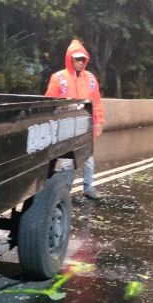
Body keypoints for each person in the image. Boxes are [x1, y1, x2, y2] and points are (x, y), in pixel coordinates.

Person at [45, 39, 105, 200]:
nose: (80, 62)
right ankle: (64, 191)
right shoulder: (58, 78)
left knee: (88, 159)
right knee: (66, 161)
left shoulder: (91, 79)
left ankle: (88, 187)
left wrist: (99, 121)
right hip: (66, 128)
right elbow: (49, 104)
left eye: (83, 59)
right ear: (70, 58)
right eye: (77, 58)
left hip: (85, 127)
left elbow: (97, 102)